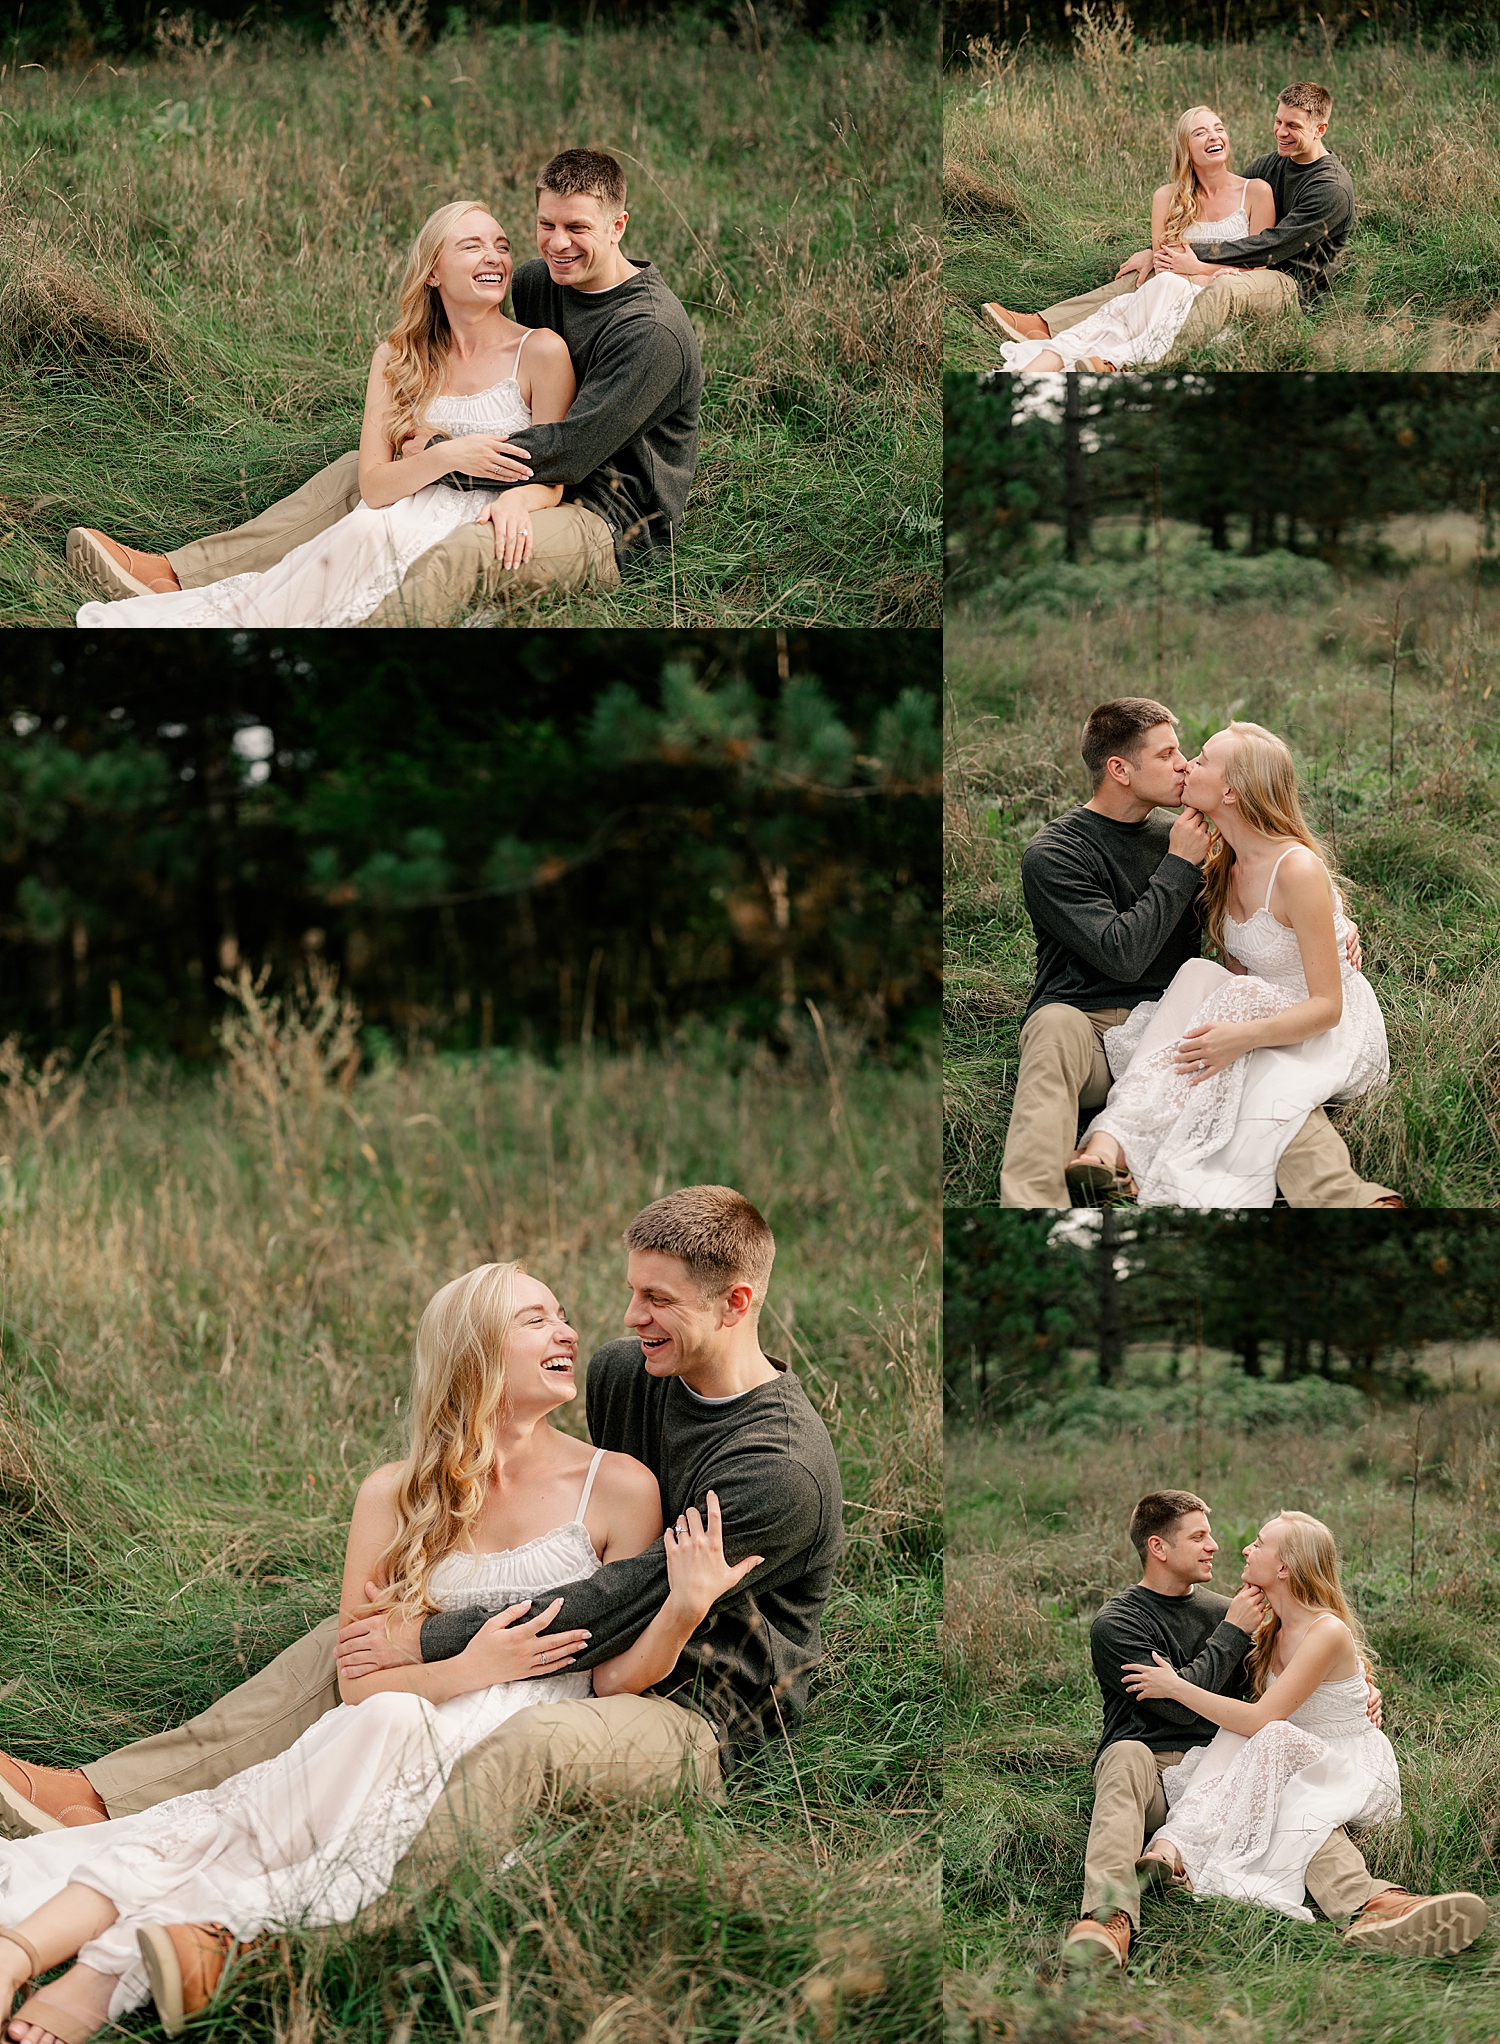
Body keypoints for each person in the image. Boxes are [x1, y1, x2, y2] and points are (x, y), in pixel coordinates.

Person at [0, 1185, 843, 2036]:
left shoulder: (777, 1472)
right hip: (580, 1649)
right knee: (357, 1640)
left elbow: (615, 1603)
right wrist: (408, 1645)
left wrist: (428, 1639)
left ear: (737, 1303)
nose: (625, 1318)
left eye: (655, 1300)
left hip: (694, 1709)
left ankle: (282, 1947)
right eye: (630, 1292)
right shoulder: (630, 1372)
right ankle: (101, 1794)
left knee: (514, 1734)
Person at [67, 150, 703, 625]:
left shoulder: (650, 333)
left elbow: (568, 448)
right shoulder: (542, 281)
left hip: (608, 518)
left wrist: (436, 453)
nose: (557, 245)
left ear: (618, 226)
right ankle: (175, 574)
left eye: (579, 230)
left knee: (463, 553)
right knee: (356, 474)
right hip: (530, 479)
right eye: (546, 225)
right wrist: (418, 457)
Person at [998, 697, 1401, 1209]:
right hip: (1089, 1025)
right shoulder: (1056, 853)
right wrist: (1178, 866)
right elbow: (1121, 955)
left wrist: (1339, 926)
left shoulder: (1190, 835)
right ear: (1119, 769)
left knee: (1254, 1061)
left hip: (1174, 1018)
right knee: (1052, 1029)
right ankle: (1034, 1211)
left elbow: (1269, 895)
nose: (1184, 763)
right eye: (1167, 754)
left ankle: (1339, 1196)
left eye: (1188, 753)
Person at [1066, 1490, 1486, 1970]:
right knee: (1123, 1755)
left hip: (1226, 1758)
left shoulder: (1237, 1611)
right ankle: (1108, 1921)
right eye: (1199, 1536)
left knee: (1285, 1779)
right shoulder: (1119, 1622)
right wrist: (1232, 1633)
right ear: (1159, 1547)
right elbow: (1179, 1712)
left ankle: (1371, 1905)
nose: (1218, 1546)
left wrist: (1361, 1689)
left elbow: (1280, 1687)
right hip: (1156, 1773)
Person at [982, 82, 1353, 364]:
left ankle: (1145, 363)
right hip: (1246, 265)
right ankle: (1043, 325)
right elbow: (1229, 206)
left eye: (1293, 127)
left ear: (1320, 130)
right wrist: (1158, 252)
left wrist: (1192, 257)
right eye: (1278, 121)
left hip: (1291, 285)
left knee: (1215, 287)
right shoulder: (1272, 164)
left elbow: (1270, 244)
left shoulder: (1330, 188)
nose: (1281, 133)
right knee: (1149, 273)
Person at [987, 108, 1274, 372]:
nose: (1213, 135)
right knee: (1145, 290)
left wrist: (1200, 269)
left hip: (1223, 295)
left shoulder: (1257, 192)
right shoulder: (1166, 197)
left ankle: (1087, 351)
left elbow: (1259, 266)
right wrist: (1166, 259)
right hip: (1171, 288)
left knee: (1153, 304)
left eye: (1219, 128)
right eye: (1200, 133)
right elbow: (1167, 264)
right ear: (1186, 148)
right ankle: (1059, 342)